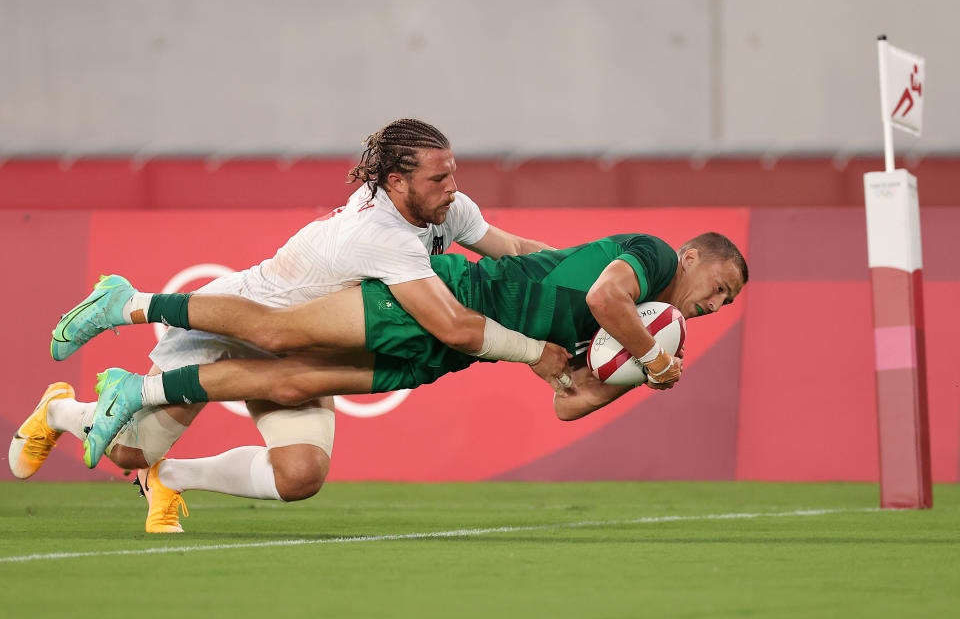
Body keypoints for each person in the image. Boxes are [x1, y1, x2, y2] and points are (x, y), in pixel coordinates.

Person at [9, 118, 571, 530]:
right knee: (129, 452)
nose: (452, 187)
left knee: (299, 476)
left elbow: (516, 250)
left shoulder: (448, 208)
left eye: (454, 174)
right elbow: (452, 328)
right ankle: (59, 408)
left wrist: (576, 283)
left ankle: (171, 478)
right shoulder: (381, 236)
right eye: (438, 178)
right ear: (397, 183)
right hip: (229, 323)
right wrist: (539, 350)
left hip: (298, 344)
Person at [63, 231, 746, 531]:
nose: (714, 307)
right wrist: (652, 355)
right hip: (438, 298)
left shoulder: (617, 335)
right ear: (692, 258)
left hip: (447, 353)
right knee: (276, 331)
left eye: (726, 305)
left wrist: (633, 377)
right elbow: (605, 298)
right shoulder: (653, 258)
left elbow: (571, 403)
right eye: (719, 288)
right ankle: (131, 305)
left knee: (295, 381)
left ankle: (149, 454)